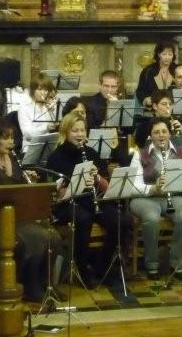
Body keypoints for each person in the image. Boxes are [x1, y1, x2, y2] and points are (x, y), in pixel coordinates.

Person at [0, 119, 49, 301]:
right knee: (39, 237)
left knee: (53, 236)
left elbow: (20, 189)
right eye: (6, 138)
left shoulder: (12, 158)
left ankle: (42, 284)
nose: (11, 142)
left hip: (17, 215)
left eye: (12, 137)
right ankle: (29, 286)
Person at [47, 112, 129, 289]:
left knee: (122, 220)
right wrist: (79, 182)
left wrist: (97, 178)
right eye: (74, 130)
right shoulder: (56, 157)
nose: (79, 134)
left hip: (92, 200)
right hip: (69, 203)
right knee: (83, 219)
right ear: (66, 132)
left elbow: (106, 187)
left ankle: (102, 268)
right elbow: (57, 192)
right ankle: (82, 270)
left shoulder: (91, 152)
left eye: (82, 130)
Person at [127, 117, 182, 279]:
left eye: (164, 131)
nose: (161, 135)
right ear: (150, 136)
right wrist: (154, 188)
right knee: (151, 218)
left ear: (170, 134)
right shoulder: (139, 155)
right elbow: (134, 187)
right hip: (145, 198)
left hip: (173, 196)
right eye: (156, 132)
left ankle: (175, 261)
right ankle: (152, 264)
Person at [70, 70, 131, 167]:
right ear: (100, 85)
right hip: (98, 143)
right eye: (106, 86)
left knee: (128, 161)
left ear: (117, 87)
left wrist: (117, 106)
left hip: (118, 143)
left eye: (113, 86)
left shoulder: (122, 104)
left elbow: (129, 129)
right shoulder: (90, 104)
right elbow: (91, 127)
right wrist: (111, 110)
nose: (109, 90)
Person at [17, 73, 60, 157]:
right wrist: (45, 127)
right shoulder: (24, 107)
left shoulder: (48, 106)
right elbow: (28, 134)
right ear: (33, 90)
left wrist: (52, 111)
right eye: (40, 89)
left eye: (46, 90)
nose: (43, 93)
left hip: (48, 148)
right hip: (30, 149)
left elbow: (56, 127)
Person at [136, 41, 177, 109]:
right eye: (164, 54)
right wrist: (145, 100)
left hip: (173, 109)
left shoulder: (177, 69)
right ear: (158, 54)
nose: (167, 57)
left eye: (170, 54)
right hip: (153, 110)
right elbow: (139, 91)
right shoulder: (148, 71)